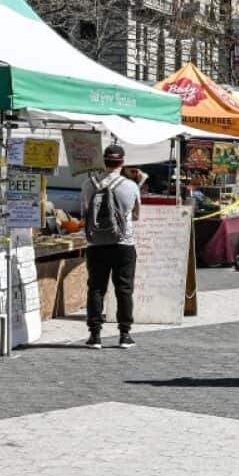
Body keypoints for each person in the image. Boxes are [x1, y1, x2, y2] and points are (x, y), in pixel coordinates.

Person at [82, 145, 141, 350]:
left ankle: (95, 335)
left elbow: (85, 212)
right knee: (124, 289)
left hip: (96, 244)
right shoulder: (130, 186)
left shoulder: (88, 184)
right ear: (122, 162)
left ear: (103, 161)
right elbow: (136, 215)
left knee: (96, 288)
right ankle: (125, 334)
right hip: (123, 243)